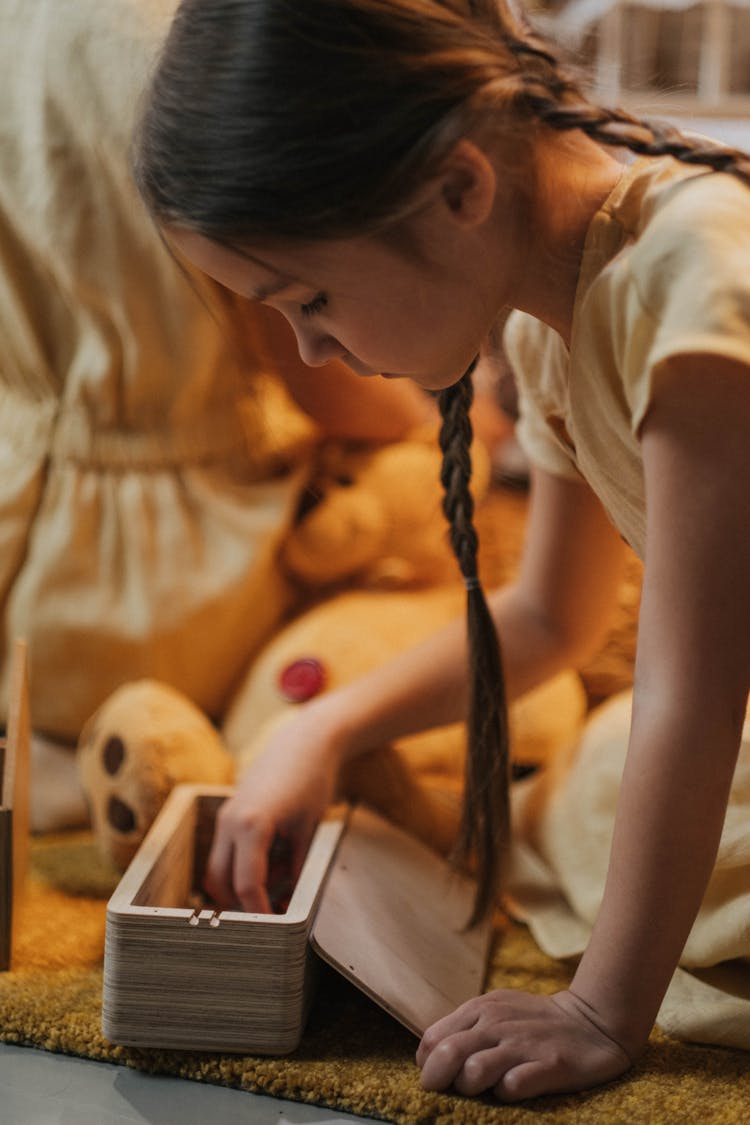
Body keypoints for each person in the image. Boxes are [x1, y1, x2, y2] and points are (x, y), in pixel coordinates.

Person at [131, 0, 750, 1103]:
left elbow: (695, 696)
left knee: (658, 828)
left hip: (718, 697)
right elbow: (553, 621)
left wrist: (603, 1010)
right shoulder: (542, 305)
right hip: (711, 697)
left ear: (460, 189)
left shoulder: (695, 283)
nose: (310, 346)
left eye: (310, 298)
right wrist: (321, 729)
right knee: (587, 791)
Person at [0, 0, 440, 831]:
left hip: (23, 530)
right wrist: (442, 420)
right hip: (196, 575)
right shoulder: (205, 43)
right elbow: (313, 349)